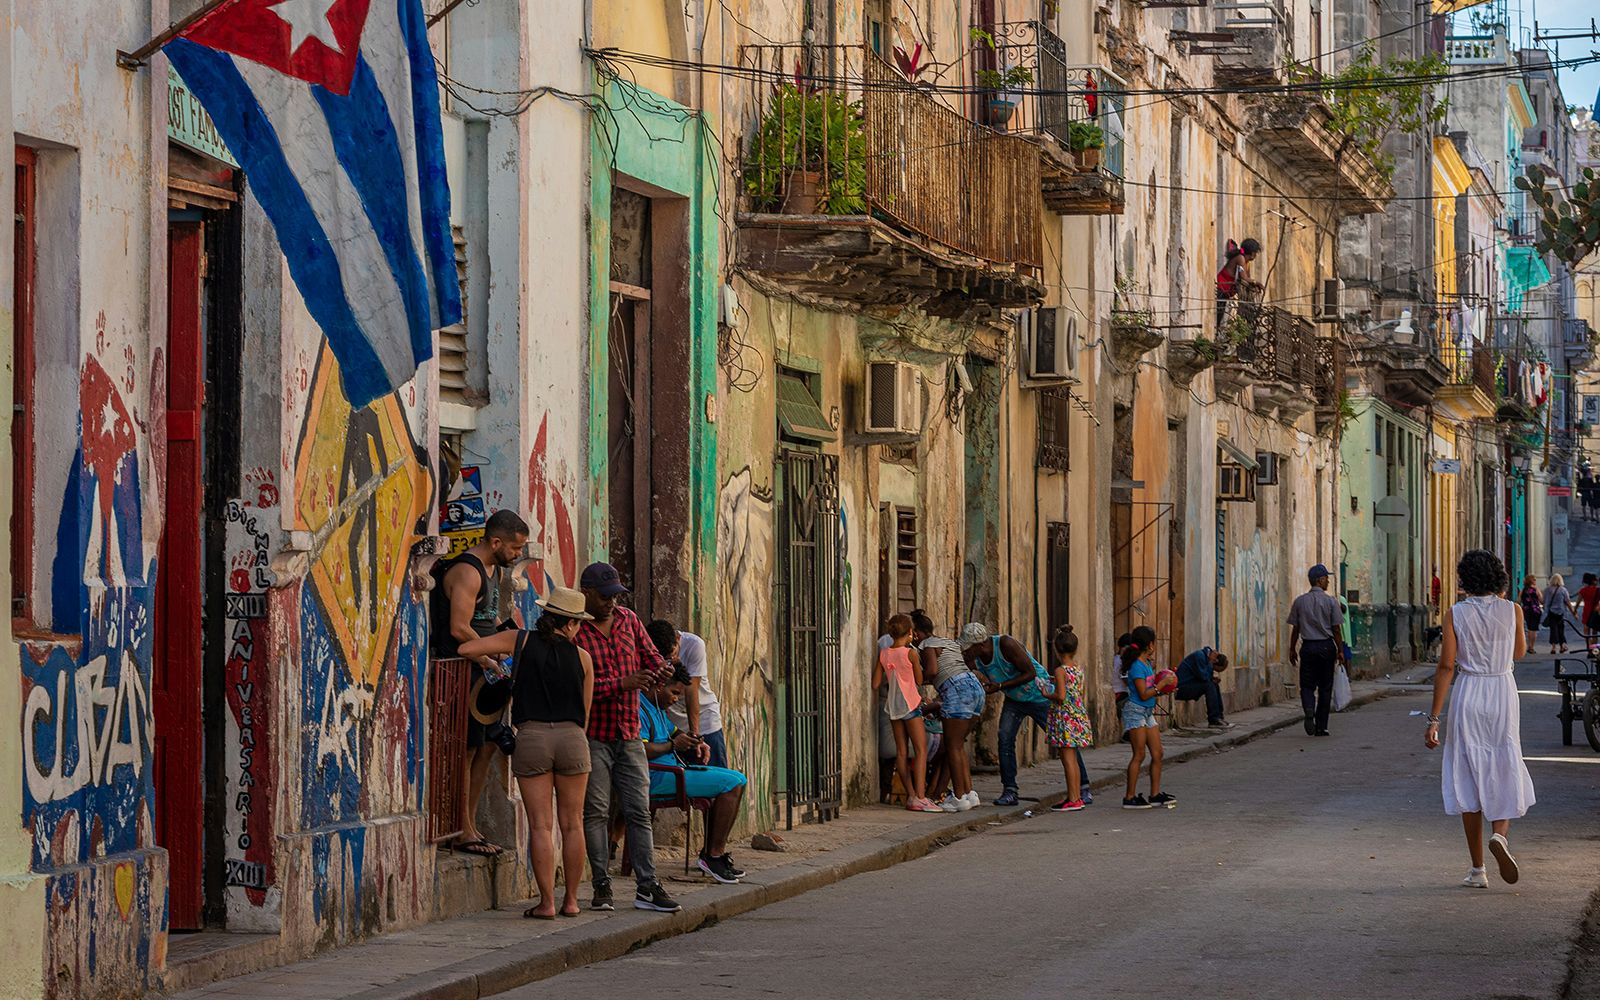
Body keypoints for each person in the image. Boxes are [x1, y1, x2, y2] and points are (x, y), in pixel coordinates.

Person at [458, 586, 594, 919]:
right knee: (573, 824)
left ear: (546, 615)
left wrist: (496, 661)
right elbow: (585, 715)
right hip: (573, 738)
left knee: (540, 826)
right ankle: (572, 901)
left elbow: (466, 647)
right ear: (573, 624)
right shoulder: (583, 658)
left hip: (532, 737)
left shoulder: (519, 640)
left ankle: (546, 903)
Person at [572, 561, 680, 914]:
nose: (612, 603)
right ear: (587, 594)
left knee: (638, 811)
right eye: (605, 597)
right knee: (596, 812)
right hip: (595, 735)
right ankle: (601, 883)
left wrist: (660, 670)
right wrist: (621, 684)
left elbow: (652, 657)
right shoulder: (576, 631)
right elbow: (576, 688)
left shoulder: (629, 621)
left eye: (616, 597)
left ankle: (647, 884)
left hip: (629, 732)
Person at [1425, 549, 1536, 889]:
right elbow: (1519, 652)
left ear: (1465, 580)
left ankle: (1478, 871)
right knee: (1504, 762)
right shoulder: (1513, 610)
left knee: (1468, 775)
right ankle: (1500, 836)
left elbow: (1446, 666)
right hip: (1502, 690)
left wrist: (1433, 718)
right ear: (1498, 578)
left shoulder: (1455, 613)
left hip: (1469, 692)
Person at [432, 509, 529, 857]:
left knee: (487, 748)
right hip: (464, 671)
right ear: (496, 541)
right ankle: (460, 828)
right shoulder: (466, 571)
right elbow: (459, 628)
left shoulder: (493, 571)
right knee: (466, 749)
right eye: (515, 548)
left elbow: (489, 619)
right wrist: (489, 656)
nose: (518, 555)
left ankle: (470, 823)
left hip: (486, 675)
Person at [961, 623, 1090, 807]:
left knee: (1066, 743)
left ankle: (1082, 788)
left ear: (980, 645)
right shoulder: (976, 658)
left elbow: (1029, 673)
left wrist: (999, 686)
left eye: (968, 648)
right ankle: (1010, 790)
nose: (967, 652)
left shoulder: (1005, 644)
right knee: (1005, 738)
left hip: (1039, 696)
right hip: (1015, 700)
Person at [640, 665, 749, 884]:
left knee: (738, 778)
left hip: (673, 771)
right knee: (730, 784)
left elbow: (674, 732)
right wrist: (673, 745)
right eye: (674, 693)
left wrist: (695, 741)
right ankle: (713, 856)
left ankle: (713, 852)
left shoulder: (658, 709)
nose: (675, 699)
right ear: (659, 686)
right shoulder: (640, 709)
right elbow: (640, 749)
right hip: (658, 777)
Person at [911, 609, 984, 811]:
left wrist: (916, 678)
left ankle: (958, 797)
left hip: (957, 689)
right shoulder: (947, 641)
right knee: (959, 745)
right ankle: (969, 793)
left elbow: (933, 671)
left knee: (952, 746)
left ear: (916, 634)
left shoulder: (927, 645)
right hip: (974, 688)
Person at [875, 614, 940, 812]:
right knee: (921, 751)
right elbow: (919, 680)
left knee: (901, 752)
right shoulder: (910, 653)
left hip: (893, 707)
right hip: (910, 704)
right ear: (910, 632)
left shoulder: (884, 653)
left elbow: (875, 683)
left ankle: (911, 795)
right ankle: (920, 797)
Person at [645, 622, 728, 768]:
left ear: (677, 639)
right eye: (666, 659)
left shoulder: (694, 645)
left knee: (715, 773)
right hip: (672, 727)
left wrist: (695, 737)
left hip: (703, 721)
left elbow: (691, 692)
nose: (671, 660)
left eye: (674, 654)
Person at [1287, 563, 1344, 737]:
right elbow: (1336, 629)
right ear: (1319, 580)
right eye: (1326, 578)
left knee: (1307, 684)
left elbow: (1295, 628)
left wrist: (1292, 649)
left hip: (1308, 647)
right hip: (1326, 647)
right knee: (1325, 687)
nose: (1328, 581)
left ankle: (1309, 709)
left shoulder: (1299, 601)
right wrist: (1340, 650)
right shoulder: (1331, 602)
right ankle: (1321, 726)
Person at [1044, 626, 1095, 812]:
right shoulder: (1078, 669)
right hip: (1077, 716)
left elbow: (1061, 696)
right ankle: (1075, 796)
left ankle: (1073, 798)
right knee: (1072, 759)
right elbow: (1077, 692)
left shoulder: (1060, 671)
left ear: (1057, 650)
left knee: (1067, 761)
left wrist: (1046, 693)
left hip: (1065, 718)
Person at [1121, 640, 1175, 809]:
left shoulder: (1147, 663)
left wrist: (1166, 687)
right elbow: (1143, 694)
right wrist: (1162, 685)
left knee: (1158, 753)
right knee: (1139, 754)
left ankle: (1155, 794)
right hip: (1136, 712)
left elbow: (1151, 689)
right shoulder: (1137, 666)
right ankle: (1129, 797)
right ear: (1149, 644)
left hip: (1147, 712)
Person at [1173, 646, 1231, 729]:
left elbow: (1204, 677)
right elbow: (1203, 677)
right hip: (1181, 689)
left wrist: (1212, 679)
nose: (1213, 670)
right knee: (1209, 685)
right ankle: (1213, 719)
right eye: (1216, 669)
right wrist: (1210, 663)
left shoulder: (1206, 658)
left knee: (1214, 685)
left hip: (1191, 685)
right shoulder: (1199, 656)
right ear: (1215, 661)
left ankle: (1219, 717)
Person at [1542, 573, 1572, 654]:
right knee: (1561, 629)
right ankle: (1562, 647)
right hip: (1561, 613)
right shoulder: (1563, 590)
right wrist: (1573, 612)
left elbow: (1543, 601)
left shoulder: (1547, 590)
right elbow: (1567, 601)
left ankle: (1553, 647)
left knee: (1553, 630)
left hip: (1551, 612)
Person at [1518, 575, 1543, 651]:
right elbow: (1542, 600)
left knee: (1529, 628)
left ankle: (1529, 645)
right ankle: (1531, 646)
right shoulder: (1536, 590)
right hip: (1536, 611)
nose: (1535, 581)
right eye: (1534, 580)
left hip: (1527, 611)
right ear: (1531, 581)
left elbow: (1518, 601)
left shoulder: (1523, 590)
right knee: (1534, 629)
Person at [1577, 573, 1600, 649]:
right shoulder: (1597, 590)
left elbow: (1578, 602)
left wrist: (1574, 611)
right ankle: (1595, 649)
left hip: (1587, 612)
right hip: (1595, 612)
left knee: (1586, 632)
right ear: (1593, 581)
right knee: (1595, 633)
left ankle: (1589, 647)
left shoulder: (1583, 590)